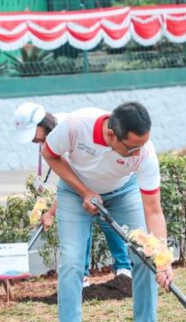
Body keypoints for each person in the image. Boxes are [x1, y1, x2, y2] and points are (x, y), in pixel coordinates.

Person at [42, 102, 181, 322]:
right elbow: (50, 155)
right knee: (71, 262)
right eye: (131, 148)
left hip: (122, 191)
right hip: (74, 193)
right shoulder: (74, 126)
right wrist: (83, 191)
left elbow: (153, 210)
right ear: (110, 136)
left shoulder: (144, 153)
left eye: (143, 145)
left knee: (144, 256)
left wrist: (163, 258)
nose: (138, 153)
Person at [12, 102, 132, 284]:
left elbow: (72, 180)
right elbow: (69, 180)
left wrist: (51, 213)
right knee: (82, 225)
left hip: (101, 176)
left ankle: (123, 270)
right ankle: (81, 277)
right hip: (84, 181)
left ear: (42, 123)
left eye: (32, 134)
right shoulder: (50, 133)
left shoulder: (65, 132)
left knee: (106, 220)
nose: (32, 140)